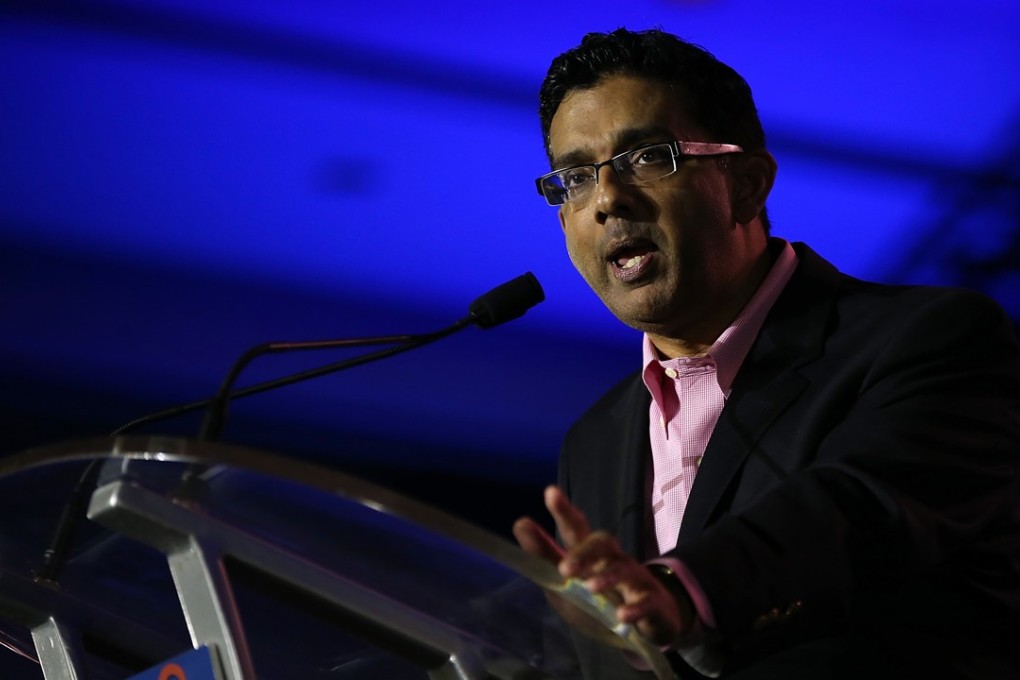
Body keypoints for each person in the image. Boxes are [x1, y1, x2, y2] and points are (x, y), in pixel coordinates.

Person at [512, 28, 1020, 679]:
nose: (608, 199)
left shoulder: (929, 339)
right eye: (576, 177)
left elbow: (860, 510)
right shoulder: (594, 442)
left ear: (748, 184)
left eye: (648, 157)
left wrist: (682, 589)